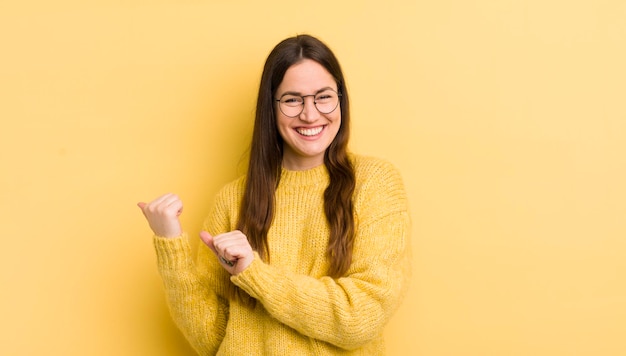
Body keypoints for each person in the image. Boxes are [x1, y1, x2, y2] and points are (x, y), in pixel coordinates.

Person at [138, 34, 411, 355]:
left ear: (341, 100)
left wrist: (254, 274)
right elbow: (213, 339)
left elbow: (362, 318)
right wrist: (171, 246)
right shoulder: (232, 198)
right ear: (271, 107)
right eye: (293, 100)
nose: (310, 114)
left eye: (323, 97)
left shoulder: (375, 182)